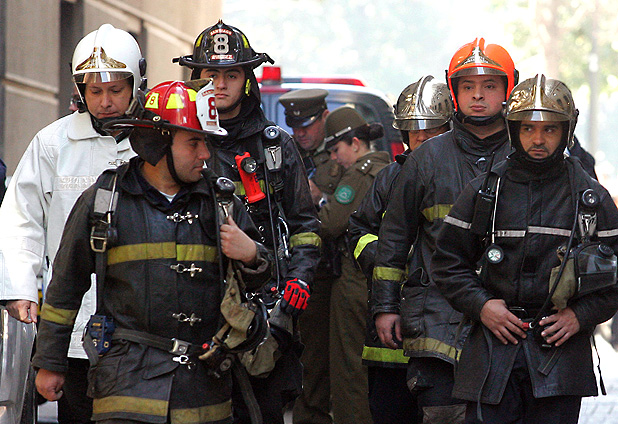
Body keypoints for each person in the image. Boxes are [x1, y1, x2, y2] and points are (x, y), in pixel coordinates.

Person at [32, 79, 272, 423]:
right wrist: (50, 363)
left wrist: (251, 254)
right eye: (194, 142)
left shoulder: (221, 203)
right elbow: (65, 287)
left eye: (205, 142)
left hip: (203, 391)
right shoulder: (105, 201)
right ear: (158, 143)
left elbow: (263, 282)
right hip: (125, 389)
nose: (205, 154)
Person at [431, 74, 618, 424]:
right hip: (491, 354)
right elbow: (447, 264)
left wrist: (580, 316)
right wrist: (482, 305)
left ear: (566, 131)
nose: (538, 139)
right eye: (529, 128)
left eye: (550, 129)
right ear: (513, 129)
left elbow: (615, 279)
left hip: (560, 361)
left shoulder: (591, 200)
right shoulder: (485, 192)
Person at [174, 20, 321, 424]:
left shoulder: (276, 146)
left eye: (232, 75)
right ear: (195, 78)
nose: (220, 85)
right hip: (196, 309)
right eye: (211, 74)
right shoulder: (179, 144)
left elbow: (306, 228)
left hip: (264, 312)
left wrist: (299, 280)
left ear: (247, 81)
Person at [0, 24, 145, 424]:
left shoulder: (155, 144)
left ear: (137, 83)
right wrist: (21, 288)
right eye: (94, 91)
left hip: (142, 330)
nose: (105, 102)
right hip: (73, 326)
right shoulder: (52, 144)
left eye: (115, 90)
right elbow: (21, 218)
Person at [371, 38, 517, 423]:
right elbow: (394, 238)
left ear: (509, 89)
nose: (478, 95)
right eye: (468, 86)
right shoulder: (426, 159)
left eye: (489, 85)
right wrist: (385, 307)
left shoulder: (528, 155)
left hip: (510, 322)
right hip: (436, 320)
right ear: (454, 92)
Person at [348, 75, 453, 424]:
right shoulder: (388, 178)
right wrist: (387, 258)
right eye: (413, 130)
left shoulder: (461, 177)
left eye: (431, 129)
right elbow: (358, 231)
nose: (421, 137)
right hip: (389, 335)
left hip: (441, 332)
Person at [319, 106, 390, 424]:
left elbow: (330, 223)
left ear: (356, 144)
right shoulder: (385, 168)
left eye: (337, 149)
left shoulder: (360, 174)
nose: (335, 158)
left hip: (353, 280)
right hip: (375, 280)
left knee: (349, 368)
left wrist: (319, 202)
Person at [278, 88, 344, 424]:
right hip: (289, 269)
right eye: (294, 126)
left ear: (325, 118)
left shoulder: (340, 155)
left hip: (327, 271)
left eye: (307, 125)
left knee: (320, 358)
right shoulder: (283, 155)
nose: (300, 132)